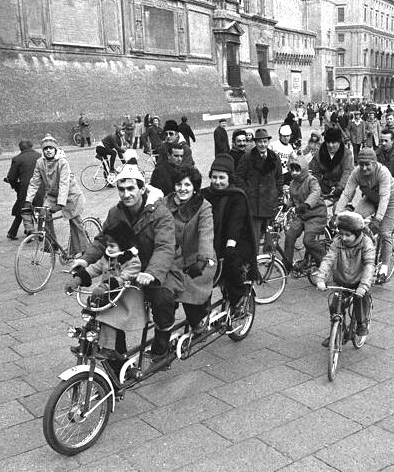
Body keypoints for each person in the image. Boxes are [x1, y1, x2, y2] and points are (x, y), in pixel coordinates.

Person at [71, 161, 182, 359]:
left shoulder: (160, 213)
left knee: (162, 298)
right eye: (121, 189)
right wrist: (85, 261)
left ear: (141, 188)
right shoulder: (116, 212)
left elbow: (165, 247)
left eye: (131, 188)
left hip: (158, 268)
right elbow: (104, 239)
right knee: (104, 299)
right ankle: (115, 352)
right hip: (127, 269)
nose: (126, 194)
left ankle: (163, 338)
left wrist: (151, 273)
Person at [64, 221, 144, 368]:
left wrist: (107, 285)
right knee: (92, 314)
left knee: (108, 319)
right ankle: (87, 343)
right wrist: (79, 278)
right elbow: (94, 268)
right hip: (107, 296)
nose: (108, 249)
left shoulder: (132, 261)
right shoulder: (106, 258)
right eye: (107, 245)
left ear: (124, 245)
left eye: (112, 246)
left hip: (125, 299)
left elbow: (125, 277)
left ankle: (109, 348)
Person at [334, 147, 394, 282]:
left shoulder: (383, 173)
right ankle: (360, 253)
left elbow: (385, 197)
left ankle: (384, 268)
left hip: (389, 200)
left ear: (374, 164)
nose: (363, 168)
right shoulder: (357, 172)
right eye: (361, 164)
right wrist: (336, 214)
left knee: (385, 232)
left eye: (367, 164)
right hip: (370, 198)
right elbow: (347, 193)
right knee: (355, 222)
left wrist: (378, 219)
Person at [202, 154, 258, 312]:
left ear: (229, 178)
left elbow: (236, 223)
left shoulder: (237, 196)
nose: (217, 182)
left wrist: (230, 245)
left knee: (230, 263)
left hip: (236, 240)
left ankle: (238, 298)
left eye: (221, 178)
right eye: (214, 177)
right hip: (211, 239)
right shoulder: (205, 194)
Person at [164, 166, 215, 333]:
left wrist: (202, 259)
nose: (182, 189)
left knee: (189, 290)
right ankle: (164, 328)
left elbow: (206, 234)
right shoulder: (165, 203)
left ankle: (199, 319)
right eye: (179, 184)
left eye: (187, 185)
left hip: (197, 260)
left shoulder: (203, 206)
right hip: (172, 260)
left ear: (194, 188)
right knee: (164, 295)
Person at [315, 211, 375, 345]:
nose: (343, 237)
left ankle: (362, 324)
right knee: (335, 306)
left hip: (359, 282)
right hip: (342, 280)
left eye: (348, 235)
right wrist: (320, 278)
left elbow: (369, 265)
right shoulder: (337, 242)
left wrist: (364, 286)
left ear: (357, 233)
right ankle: (337, 332)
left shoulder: (366, 243)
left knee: (360, 302)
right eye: (341, 234)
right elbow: (328, 259)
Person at [25, 134, 89, 257]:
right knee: (43, 215)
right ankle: (51, 244)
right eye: (45, 148)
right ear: (43, 151)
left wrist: (60, 204)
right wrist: (28, 200)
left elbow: (64, 183)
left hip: (70, 195)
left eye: (51, 148)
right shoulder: (40, 162)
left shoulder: (62, 162)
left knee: (75, 220)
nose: (48, 150)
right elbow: (34, 182)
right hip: (52, 195)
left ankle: (85, 251)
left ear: (56, 149)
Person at [235, 128, 284, 244]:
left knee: (270, 237)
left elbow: (279, 177)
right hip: (254, 204)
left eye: (265, 141)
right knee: (254, 238)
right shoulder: (248, 157)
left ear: (268, 142)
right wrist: (247, 191)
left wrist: (277, 193)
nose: (263, 145)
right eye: (260, 142)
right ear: (255, 143)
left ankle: (269, 260)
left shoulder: (274, 157)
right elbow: (238, 177)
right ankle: (255, 260)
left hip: (270, 203)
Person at [283, 153, 328, 272]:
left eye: (297, 170)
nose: (294, 173)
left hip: (316, 215)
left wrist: (307, 204)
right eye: (292, 170)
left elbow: (315, 192)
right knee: (290, 234)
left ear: (303, 169)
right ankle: (286, 263)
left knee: (308, 240)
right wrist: (285, 205)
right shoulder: (293, 183)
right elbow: (293, 198)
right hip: (302, 215)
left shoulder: (311, 180)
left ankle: (325, 261)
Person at [5, 140, 43, 240]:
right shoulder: (40, 156)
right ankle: (40, 234)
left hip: (25, 188)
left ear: (20, 148)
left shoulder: (17, 159)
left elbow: (12, 177)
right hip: (40, 187)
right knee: (39, 210)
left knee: (23, 209)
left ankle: (19, 232)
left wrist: (16, 186)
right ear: (31, 146)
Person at [309, 127, 354, 199]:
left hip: (341, 187)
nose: (330, 145)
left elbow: (348, 172)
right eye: (328, 142)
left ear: (339, 142)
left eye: (333, 142)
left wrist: (340, 187)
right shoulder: (320, 153)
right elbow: (313, 172)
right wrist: (316, 185)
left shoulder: (346, 154)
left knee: (338, 207)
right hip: (325, 186)